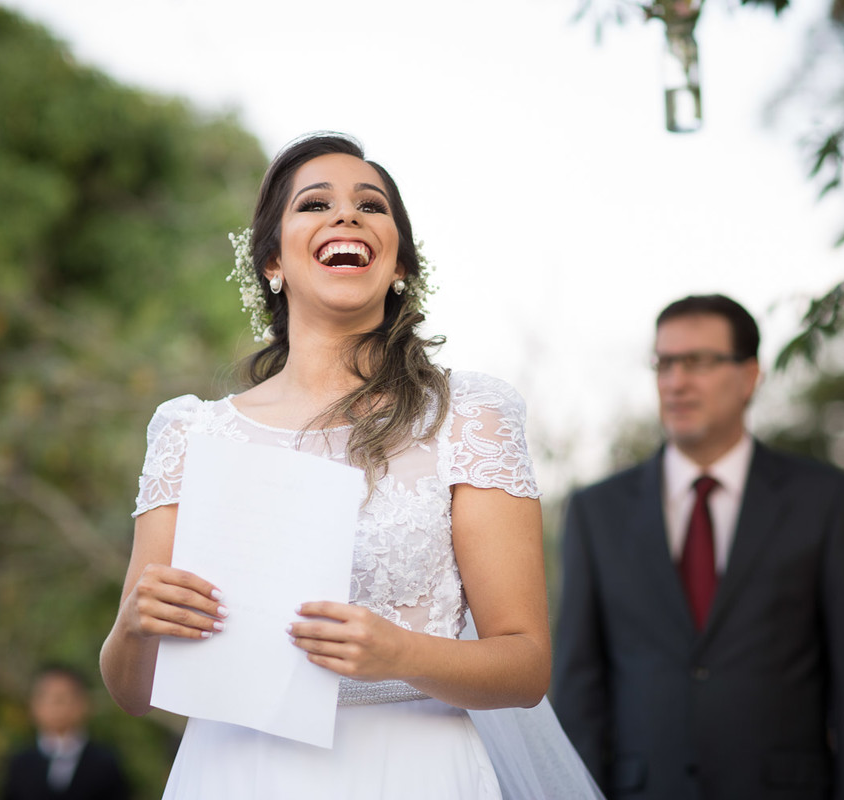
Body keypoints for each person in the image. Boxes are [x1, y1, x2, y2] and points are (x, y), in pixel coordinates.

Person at [100, 133, 601, 799]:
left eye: (372, 205)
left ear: (398, 264)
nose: (346, 215)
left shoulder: (470, 416)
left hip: (412, 768)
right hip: (236, 771)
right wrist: (135, 623)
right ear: (273, 260)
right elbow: (132, 692)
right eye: (315, 203)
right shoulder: (192, 433)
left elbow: (526, 665)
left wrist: (399, 654)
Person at [553, 294, 844, 799]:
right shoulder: (596, 512)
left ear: (749, 376)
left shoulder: (825, 502)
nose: (676, 381)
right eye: (665, 363)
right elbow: (577, 691)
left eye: (698, 362)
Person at [2, 664, 130, 800]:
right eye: (48, 698)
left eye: (62, 698)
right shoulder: (20, 764)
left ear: (83, 704)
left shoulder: (105, 764)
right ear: (34, 705)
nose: (56, 706)